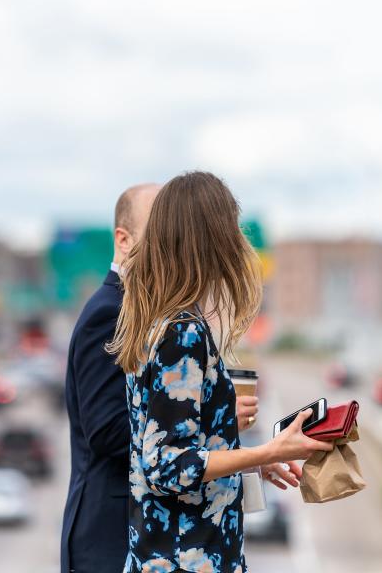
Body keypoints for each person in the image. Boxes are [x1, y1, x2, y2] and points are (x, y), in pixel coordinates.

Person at [109, 171, 334, 573]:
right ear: (211, 238)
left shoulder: (154, 322)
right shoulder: (184, 333)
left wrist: (250, 461)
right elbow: (165, 464)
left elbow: (174, 443)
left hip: (163, 556)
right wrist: (269, 451)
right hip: (190, 560)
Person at [61, 183, 260, 573]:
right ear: (123, 239)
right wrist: (212, 422)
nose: (171, 239)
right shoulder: (112, 311)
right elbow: (107, 432)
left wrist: (221, 436)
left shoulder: (153, 310)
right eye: (163, 228)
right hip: (113, 536)